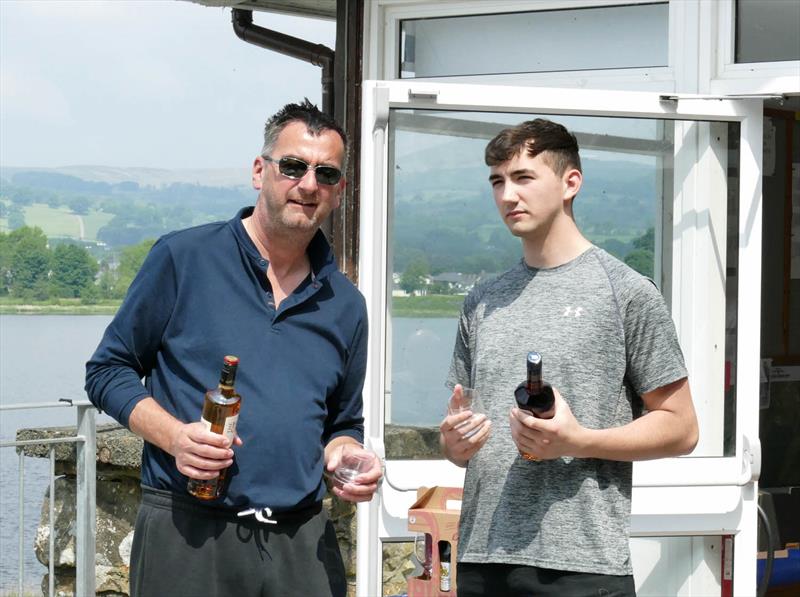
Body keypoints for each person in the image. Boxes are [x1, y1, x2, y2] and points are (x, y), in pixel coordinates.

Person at [85, 99, 382, 597]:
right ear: (259, 171)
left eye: (325, 174)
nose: (308, 184)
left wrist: (349, 456)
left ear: (339, 191)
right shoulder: (183, 258)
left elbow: (341, 423)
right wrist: (176, 437)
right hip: (188, 535)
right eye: (293, 166)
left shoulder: (346, 304)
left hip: (300, 543)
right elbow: (107, 371)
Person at [439, 118, 698, 597]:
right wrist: (455, 444)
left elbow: (681, 428)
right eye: (497, 181)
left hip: (583, 566)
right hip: (482, 558)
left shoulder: (626, 293)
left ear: (570, 183)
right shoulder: (482, 300)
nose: (507, 196)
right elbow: (461, 441)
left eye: (523, 178)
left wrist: (578, 440)